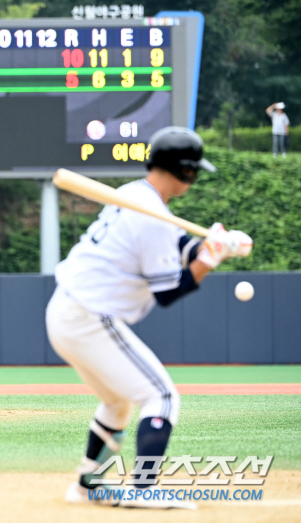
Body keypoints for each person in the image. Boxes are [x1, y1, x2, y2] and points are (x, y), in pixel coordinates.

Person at [45, 127, 252, 509]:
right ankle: (144, 488)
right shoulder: (151, 214)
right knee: (161, 396)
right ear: (185, 171)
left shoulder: (134, 196)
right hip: (89, 316)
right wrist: (210, 259)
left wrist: (212, 243)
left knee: (118, 403)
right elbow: (169, 293)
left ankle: (87, 484)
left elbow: (177, 242)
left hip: (66, 311)